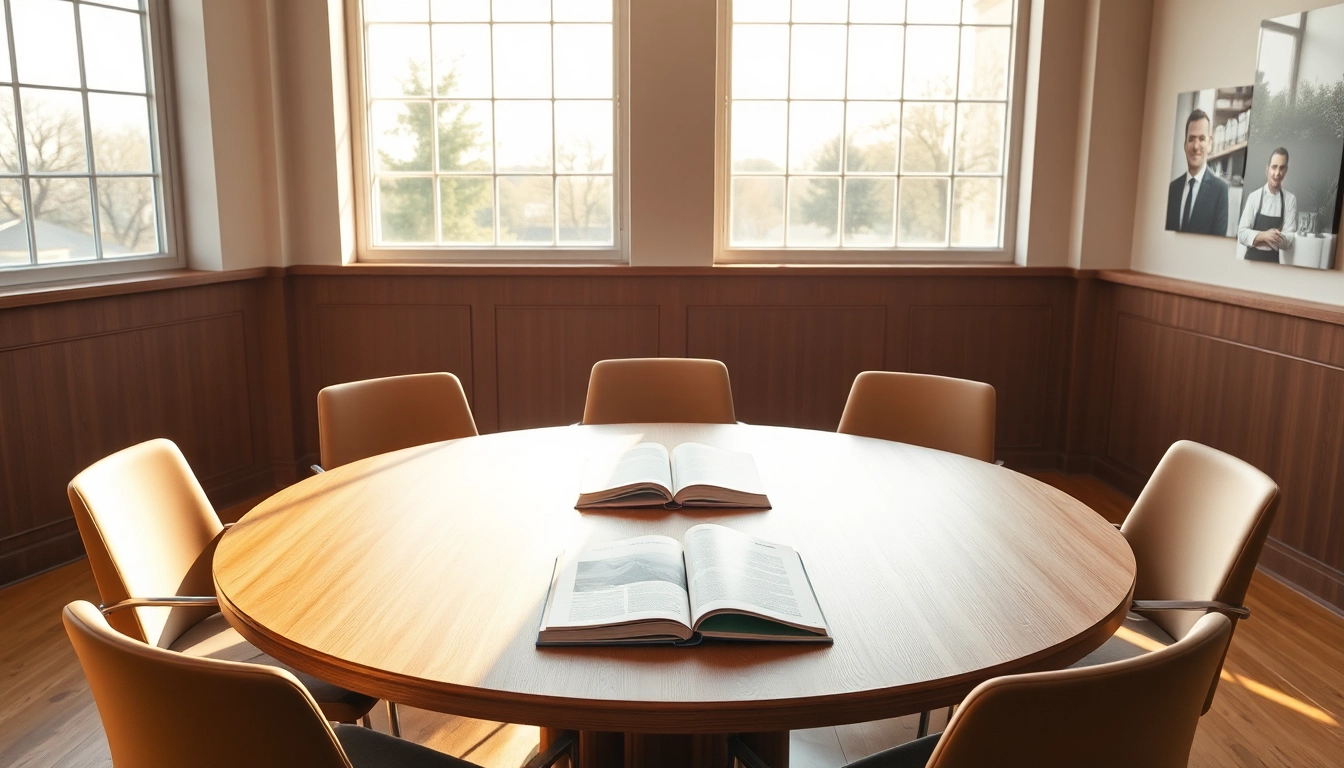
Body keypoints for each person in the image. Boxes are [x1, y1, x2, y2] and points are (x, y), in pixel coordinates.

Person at [1166, 109, 1230, 235]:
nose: (1196, 146)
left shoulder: (1220, 190)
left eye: (1201, 139)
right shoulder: (1172, 189)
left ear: (1210, 143)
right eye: (1191, 139)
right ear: (1185, 145)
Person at [1237, 147, 1296, 262]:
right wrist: (1265, 235)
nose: (1277, 173)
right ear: (1267, 168)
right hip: (1251, 261)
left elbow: (1289, 239)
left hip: (1273, 262)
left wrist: (1257, 238)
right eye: (1274, 167)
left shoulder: (1290, 200)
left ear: (1286, 170)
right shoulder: (1254, 197)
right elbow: (1242, 234)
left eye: (1282, 168)